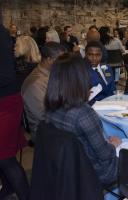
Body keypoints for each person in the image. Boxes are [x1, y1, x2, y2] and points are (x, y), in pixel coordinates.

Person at [44, 53, 120, 185]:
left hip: (67, 169)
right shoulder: (83, 113)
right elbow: (105, 154)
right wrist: (113, 145)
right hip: (96, 171)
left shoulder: (50, 109)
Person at [0, 17, 29, 200]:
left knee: (4, 155)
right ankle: (8, 187)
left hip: (6, 101)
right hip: (5, 98)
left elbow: (6, 76)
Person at [21, 42, 65, 142]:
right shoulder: (35, 84)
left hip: (56, 120)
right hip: (44, 131)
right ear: (49, 60)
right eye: (61, 60)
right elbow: (44, 117)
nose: (64, 63)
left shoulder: (51, 73)